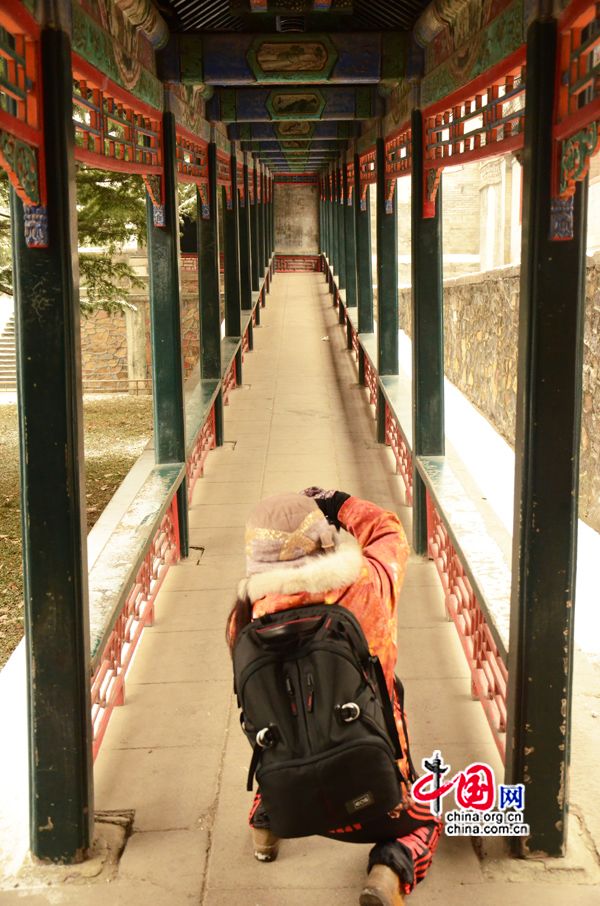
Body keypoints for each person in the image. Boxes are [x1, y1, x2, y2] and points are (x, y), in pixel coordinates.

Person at [227, 488, 442, 906]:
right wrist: (337, 502)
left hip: (292, 799)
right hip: (372, 793)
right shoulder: (369, 586)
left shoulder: (245, 621)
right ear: (325, 539)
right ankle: (389, 868)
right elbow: (388, 530)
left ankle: (265, 822)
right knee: (426, 820)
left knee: (284, 720)